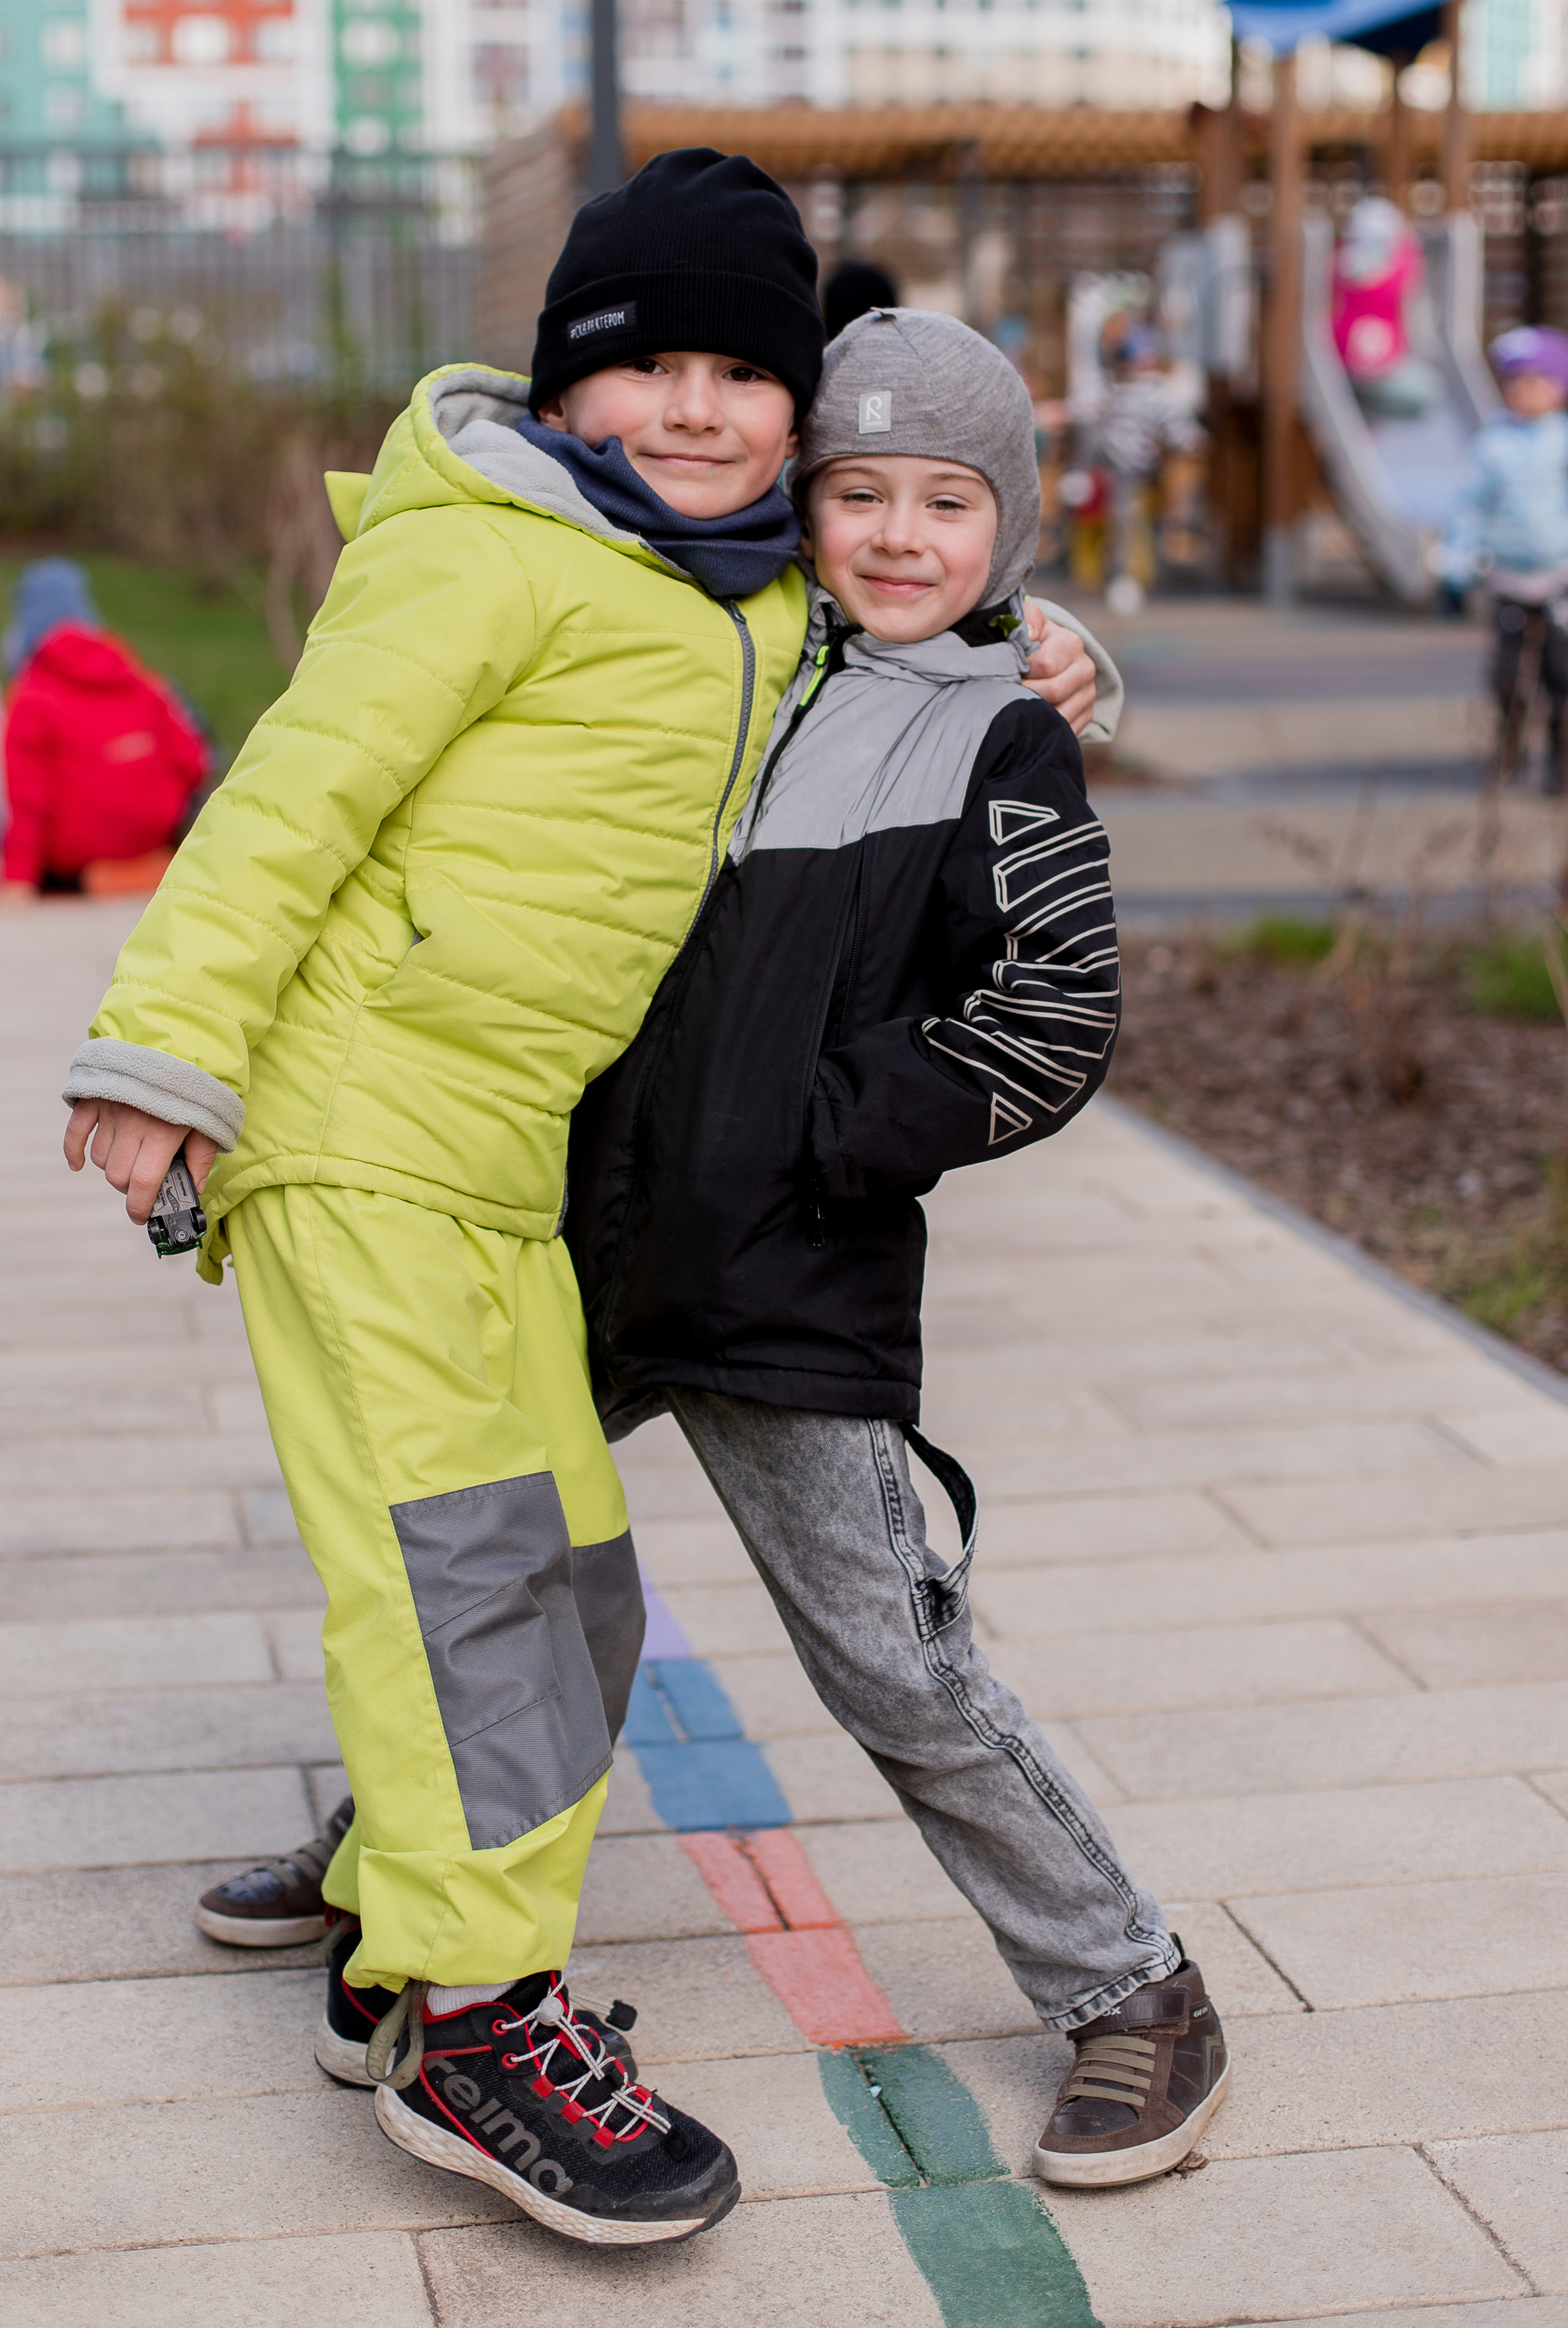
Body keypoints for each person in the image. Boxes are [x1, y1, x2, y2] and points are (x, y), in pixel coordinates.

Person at [61, 151, 1110, 2249]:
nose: (705, 407)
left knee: (569, 1583)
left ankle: (390, 1944)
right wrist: (157, 1052)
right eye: (655, 369)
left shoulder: (727, 585)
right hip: (364, 1135)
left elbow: (903, 625)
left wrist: (1044, 641)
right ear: (564, 384)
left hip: (500, 1179)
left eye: (750, 372)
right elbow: (292, 790)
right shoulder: (489, 559)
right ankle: (477, 2014)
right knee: (466, 1584)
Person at [565, 309, 1228, 2190]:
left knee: (897, 1666)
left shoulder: (1005, 734)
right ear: (804, 505)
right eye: (859, 492)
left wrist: (822, 1141)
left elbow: (1055, 1008)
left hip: (793, 1274)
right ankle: (391, 1870)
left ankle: (1131, 1988)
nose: (900, 533)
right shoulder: (731, 670)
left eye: (950, 501)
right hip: (583, 1254)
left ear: (1004, 527)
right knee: (488, 1584)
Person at [0, 559, 211, 897]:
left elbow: (27, 800)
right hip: (150, 838)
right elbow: (193, 762)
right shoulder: (143, 682)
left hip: (79, 854)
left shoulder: (29, 697)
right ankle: (149, 866)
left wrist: (17, 882)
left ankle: (95, 876)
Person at [1439, 327, 1568, 787]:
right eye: (1516, 383)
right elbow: (1469, 509)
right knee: (1508, 676)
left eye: (1537, 382)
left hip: (1560, 580)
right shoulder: (1493, 445)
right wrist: (1455, 569)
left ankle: (1561, 759)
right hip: (1508, 579)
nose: (1525, 393)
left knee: (1562, 675)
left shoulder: (1562, 442)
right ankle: (1510, 750)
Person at [1090, 325, 1206, 615]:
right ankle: (1127, 578)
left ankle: (1126, 578)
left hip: (1123, 468)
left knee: (1127, 525)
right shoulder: (1137, 391)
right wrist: (1192, 439)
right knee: (1130, 525)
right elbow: (1178, 426)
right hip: (1133, 468)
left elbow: (1175, 425)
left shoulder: (1123, 390)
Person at [1331, 193, 1440, 419]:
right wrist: (1409, 243)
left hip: (1345, 359)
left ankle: (1367, 406)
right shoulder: (1398, 270)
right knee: (1430, 392)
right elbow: (1405, 274)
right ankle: (1373, 408)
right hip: (1382, 365)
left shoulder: (1341, 264)